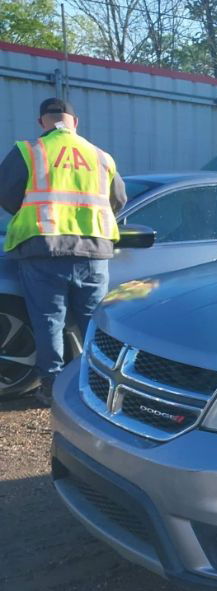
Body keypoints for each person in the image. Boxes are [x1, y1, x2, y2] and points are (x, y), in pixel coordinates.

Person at [0, 97, 127, 406]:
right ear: (75, 122)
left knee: (48, 322)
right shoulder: (101, 156)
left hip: (45, 248)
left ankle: (52, 385)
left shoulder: (29, 151)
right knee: (94, 324)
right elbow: (119, 201)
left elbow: (6, 194)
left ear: (42, 121)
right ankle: (98, 385)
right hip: (93, 252)